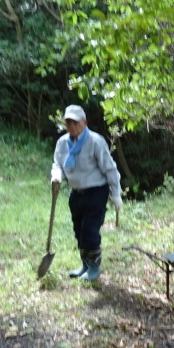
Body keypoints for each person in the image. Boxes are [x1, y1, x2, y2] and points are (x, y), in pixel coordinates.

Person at [51, 105, 122, 281]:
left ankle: (94, 267)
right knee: (78, 229)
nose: (72, 126)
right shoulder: (63, 143)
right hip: (77, 192)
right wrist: (57, 175)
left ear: (84, 123)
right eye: (68, 123)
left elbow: (110, 168)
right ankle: (85, 264)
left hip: (97, 191)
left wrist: (116, 194)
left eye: (75, 122)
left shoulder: (95, 141)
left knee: (90, 230)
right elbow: (57, 163)